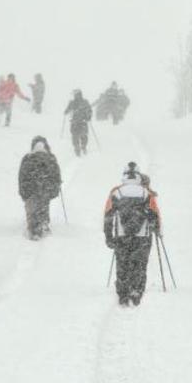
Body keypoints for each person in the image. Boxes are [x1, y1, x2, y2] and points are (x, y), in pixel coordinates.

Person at [103, 161, 161, 306]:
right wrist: (157, 229)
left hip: (121, 235)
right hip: (143, 236)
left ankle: (123, 293)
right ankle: (136, 291)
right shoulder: (146, 193)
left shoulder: (116, 193)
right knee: (140, 264)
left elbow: (108, 215)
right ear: (138, 176)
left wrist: (108, 236)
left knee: (122, 263)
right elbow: (154, 214)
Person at [18, 136, 62, 240]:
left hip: (30, 189)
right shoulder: (50, 158)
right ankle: (43, 224)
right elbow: (56, 175)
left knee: (32, 209)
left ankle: (33, 229)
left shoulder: (27, 158)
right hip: (45, 188)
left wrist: (23, 191)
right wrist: (55, 188)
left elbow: (22, 176)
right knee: (44, 206)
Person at [64, 89, 92, 156]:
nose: (74, 96)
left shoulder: (84, 102)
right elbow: (67, 111)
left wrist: (88, 116)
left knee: (81, 136)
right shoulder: (73, 102)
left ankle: (82, 148)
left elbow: (89, 110)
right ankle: (78, 149)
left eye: (75, 94)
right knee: (77, 136)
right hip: (77, 122)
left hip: (80, 122)